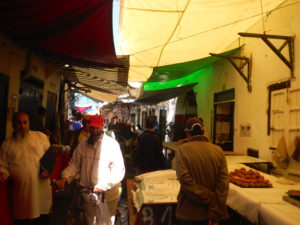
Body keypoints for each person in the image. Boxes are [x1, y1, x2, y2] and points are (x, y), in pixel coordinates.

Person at [57, 115, 125, 225]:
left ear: (103, 127)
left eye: (97, 128)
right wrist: (66, 175)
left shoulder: (112, 145)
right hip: (88, 195)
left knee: (105, 223)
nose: (94, 131)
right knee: (90, 222)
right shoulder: (83, 144)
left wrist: (104, 185)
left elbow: (118, 171)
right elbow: (74, 164)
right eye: (92, 128)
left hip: (107, 196)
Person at [0, 112, 52, 225]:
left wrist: (47, 170)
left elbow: (50, 157)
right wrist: (4, 172)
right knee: (21, 220)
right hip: (21, 192)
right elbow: (3, 165)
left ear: (29, 123)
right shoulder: (7, 145)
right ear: (13, 125)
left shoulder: (40, 137)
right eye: (19, 123)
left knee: (42, 219)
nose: (22, 126)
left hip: (40, 189)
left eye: (25, 122)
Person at [175, 117, 229, 225]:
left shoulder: (182, 150)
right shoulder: (218, 151)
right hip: (213, 214)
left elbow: (185, 180)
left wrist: (209, 197)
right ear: (203, 132)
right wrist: (215, 209)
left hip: (189, 214)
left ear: (187, 133)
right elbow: (223, 185)